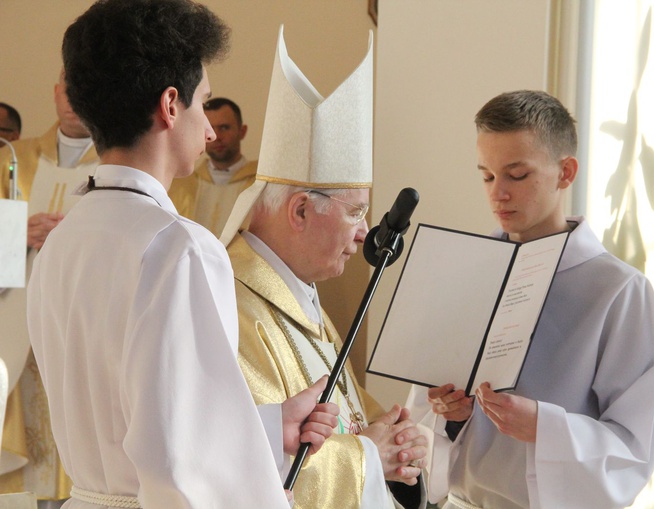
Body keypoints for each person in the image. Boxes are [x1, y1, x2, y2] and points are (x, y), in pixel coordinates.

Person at [26, 1, 338, 508]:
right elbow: (185, 466)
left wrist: (267, 424)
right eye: (203, 104)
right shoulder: (181, 247)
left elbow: (151, 424)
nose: (211, 131)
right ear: (171, 105)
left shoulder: (62, 239)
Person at [407, 90, 654, 509]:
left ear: (565, 172)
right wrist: (449, 415)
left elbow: (634, 448)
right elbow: (424, 422)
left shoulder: (619, 292)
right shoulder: (465, 274)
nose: (499, 194)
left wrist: (543, 428)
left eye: (517, 174)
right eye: (487, 176)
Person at [218, 26, 427, 509]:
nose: (365, 231)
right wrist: (372, 456)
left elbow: (352, 416)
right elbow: (247, 459)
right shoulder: (233, 302)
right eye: (355, 212)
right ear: (300, 211)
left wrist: (401, 442)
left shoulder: (300, 292)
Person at [0, 71, 99, 507]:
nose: (75, 98)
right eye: (67, 88)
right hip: (15, 335)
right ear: (55, 92)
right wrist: (17, 231)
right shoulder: (10, 158)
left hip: (83, 332)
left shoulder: (120, 164)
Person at [169, 97, 258, 237]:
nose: (216, 136)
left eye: (224, 127)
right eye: (209, 128)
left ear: (242, 131)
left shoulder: (260, 185)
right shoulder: (180, 185)